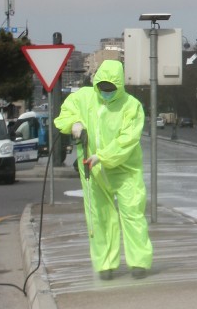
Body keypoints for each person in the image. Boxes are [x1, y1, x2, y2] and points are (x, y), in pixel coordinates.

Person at [55, 59, 153, 281]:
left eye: (111, 89)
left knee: (132, 214)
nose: (106, 92)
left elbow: (128, 140)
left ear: (119, 86)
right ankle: (105, 264)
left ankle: (139, 262)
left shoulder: (131, 106)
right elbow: (63, 115)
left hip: (125, 169)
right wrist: (74, 124)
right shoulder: (83, 97)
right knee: (100, 217)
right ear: (96, 82)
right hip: (92, 169)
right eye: (102, 87)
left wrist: (103, 156)